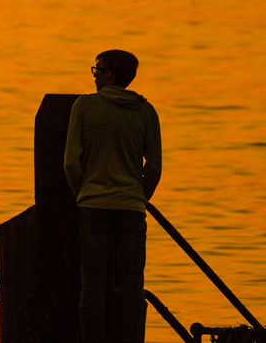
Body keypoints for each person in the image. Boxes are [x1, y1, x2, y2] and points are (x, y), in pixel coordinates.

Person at [64, 49, 162, 343]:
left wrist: (82, 193)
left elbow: (71, 162)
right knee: (133, 287)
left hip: (93, 205)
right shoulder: (146, 111)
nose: (94, 76)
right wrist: (140, 196)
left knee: (92, 286)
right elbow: (154, 166)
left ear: (109, 75)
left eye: (97, 71)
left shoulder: (83, 107)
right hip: (131, 207)